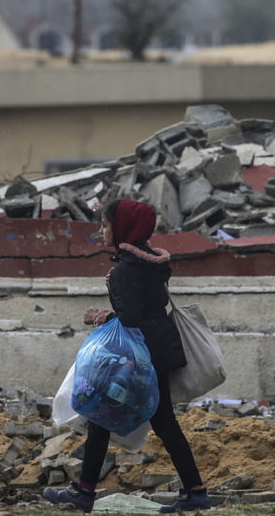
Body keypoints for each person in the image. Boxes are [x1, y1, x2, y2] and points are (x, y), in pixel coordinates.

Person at [44, 199, 210, 514]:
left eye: (105, 224)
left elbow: (130, 318)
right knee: (154, 422)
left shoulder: (126, 270)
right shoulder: (152, 264)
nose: (101, 231)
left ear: (122, 228)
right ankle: (194, 491)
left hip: (137, 359)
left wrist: (100, 316)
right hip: (159, 350)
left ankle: (85, 492)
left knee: (105, 415)